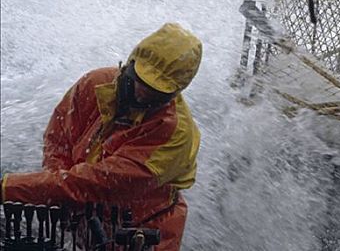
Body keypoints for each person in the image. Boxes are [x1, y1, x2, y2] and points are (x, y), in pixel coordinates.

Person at [1, 23, 202, 250]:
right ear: (130, 63)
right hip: (84, 215)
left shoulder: (174, 135)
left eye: (156, 92)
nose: (141, 93)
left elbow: (99, 183)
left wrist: (10, 187)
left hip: (145, 231)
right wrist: (55, 180)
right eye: (140, 80)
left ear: (175, 93)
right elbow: (58, 137)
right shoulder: (95, 83)